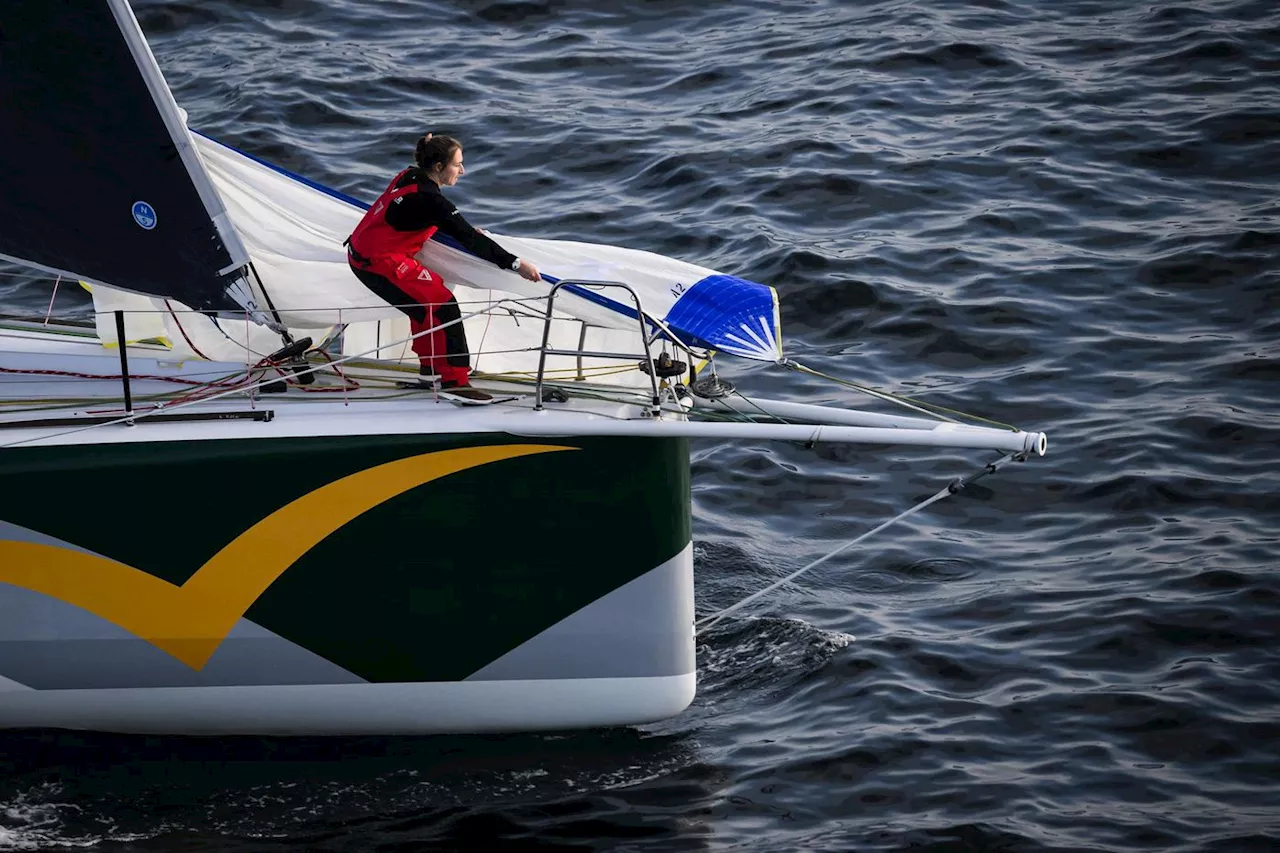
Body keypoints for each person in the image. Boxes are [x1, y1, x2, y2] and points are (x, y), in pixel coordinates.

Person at [345, 133, 540, 402]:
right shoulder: (432, 201)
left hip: (362, 252)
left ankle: (432, 371)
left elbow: (429, 218)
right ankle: (456, 383)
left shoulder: (409, 175)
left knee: (424, 305)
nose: (462, 170)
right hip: (375, 262)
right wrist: (517, 264)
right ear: (438, 167)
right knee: (443, 305)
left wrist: (457, 227)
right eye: (457, 164)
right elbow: (471, 240)